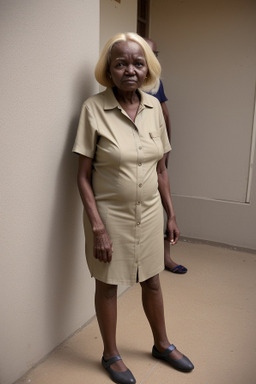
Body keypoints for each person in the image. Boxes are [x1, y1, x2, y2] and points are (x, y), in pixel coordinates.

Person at [73, 32, 194, 384]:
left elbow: (160, 169)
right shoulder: (93, 109)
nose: (130, 69)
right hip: (109, 217)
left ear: (148, 70)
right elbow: (82, 177)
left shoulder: (155, 107)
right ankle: (110, 354)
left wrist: (171, 214)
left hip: (151, 211)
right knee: (108, 284)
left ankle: (162, 344)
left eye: (138, 63)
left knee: (153, 280)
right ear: (109, 70)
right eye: (121, 63)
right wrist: (97, 227)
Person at [144, 38, 187, 275]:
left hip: (155, 150)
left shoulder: (154, 81)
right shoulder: (124, 81)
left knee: (163, 197)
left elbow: (164, 113)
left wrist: (166, 147)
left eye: (155, 54)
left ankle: (166, 258)